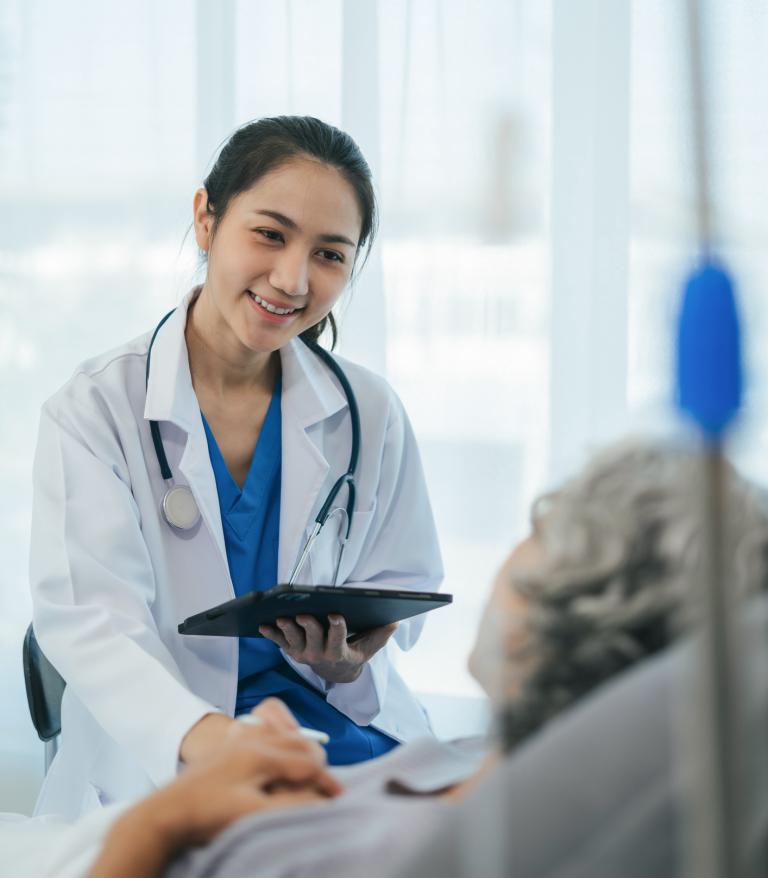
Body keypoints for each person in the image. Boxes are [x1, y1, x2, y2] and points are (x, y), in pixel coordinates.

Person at [11, 439, 766, 876]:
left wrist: (167, 815)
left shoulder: (409, 853)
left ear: (564, 596)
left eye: (542, 526)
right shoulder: (478, 762)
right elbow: (85, 618)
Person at [28, 115, 443, 819]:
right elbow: (91, 625)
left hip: (331, 733)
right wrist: (213, 740)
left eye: (330, 254)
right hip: (172, 751)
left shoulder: (368, 409)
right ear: (206, 219)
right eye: (270, 234)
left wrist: (352, 655)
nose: (292, 278)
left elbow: (406, 587)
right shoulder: (97, 409)